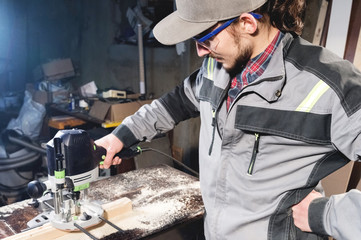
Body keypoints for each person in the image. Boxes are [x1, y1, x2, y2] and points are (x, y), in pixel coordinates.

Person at [95, 0, 361, 239]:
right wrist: (121, 135)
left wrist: (325, 215)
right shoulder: (218, 66)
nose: (200, 52)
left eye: (205, 38)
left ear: (247, 23)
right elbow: (176, 103)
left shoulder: (330, 85)